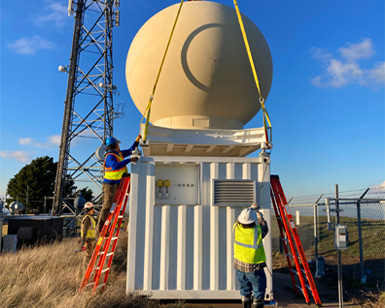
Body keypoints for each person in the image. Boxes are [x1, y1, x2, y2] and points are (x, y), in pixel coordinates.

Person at [96, 135, 140, 235]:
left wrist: (137, 140)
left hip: (116, 183)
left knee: (113, 207)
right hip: (109, 185)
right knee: (107, 206)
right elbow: (115, 166)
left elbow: (130, 150)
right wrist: (129, 160)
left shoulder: (118, 153)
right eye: (118, 144)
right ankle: (99, 229)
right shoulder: (111, 156)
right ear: (115, 145)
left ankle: (105, 227)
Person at [233, 205, 268, 308]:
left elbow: (239, 219)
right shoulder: (257, 231)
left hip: (239, 265)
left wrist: (250, 210)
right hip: (253, 268)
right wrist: (259, 216)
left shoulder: (236, 228)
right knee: (259, 290)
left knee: (245, 290)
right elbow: (264, 227)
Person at [80, 202, 97, 268]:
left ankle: (92, 267)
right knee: (88, 256)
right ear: (91, 209)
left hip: (93, 239)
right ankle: (85, 271)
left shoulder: (91, 217)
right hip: (89, 240)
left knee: (98, 253)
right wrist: (83, 242)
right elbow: (85, 231)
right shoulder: (87, 218)